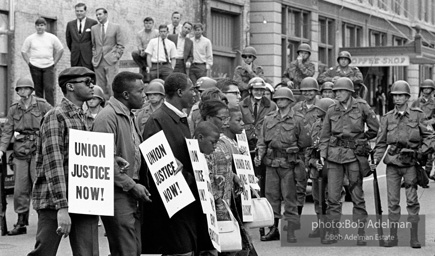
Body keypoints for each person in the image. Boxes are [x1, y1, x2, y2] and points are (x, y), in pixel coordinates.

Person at [28, 67, 98, 256]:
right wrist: (62, 207)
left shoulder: (85, 117)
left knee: (89, 253)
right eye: (87, 82)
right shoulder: (56, 116)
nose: (92, 86)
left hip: (84, 199)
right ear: (70, 86)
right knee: (44, 253)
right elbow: (54, 164)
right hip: (54, 202)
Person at [141, 73, 213, 255]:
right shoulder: (157, 120)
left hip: (188, 199)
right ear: (180, 92)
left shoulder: (181, 119)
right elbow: (157, 166)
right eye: (192, 90)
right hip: (173, 204)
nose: (195, 95)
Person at [93, 71, 151, 256]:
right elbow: (103, 161)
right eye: (140, 91)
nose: (144, 95)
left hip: (132, 192)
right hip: (117, 193)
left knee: (134, 249)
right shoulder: (107, 117)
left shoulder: (129, 115)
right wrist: (132, 185)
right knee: (126, 250)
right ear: (126, 95)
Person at [319, 77, 379, 245]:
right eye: (336, 91)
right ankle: (333, 232)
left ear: (350, 92)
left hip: (353, 156)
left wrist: (361, 140)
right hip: (334, 157)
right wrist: (323, 154)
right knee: (332, 197)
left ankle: (361, 232)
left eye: (341, 91)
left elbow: (375, 128)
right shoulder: (331, 109)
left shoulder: (361, 107)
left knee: (357, 195)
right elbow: (324, 135)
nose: (338, 94)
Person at [373, 80, 432, 249]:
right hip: (392, 163)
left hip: (410, 164)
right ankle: (393, 236)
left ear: (407, 97)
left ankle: (414, 237)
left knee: (412, 201)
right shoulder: (387, 118)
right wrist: (375, 161)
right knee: (393, 202)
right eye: (395, 95)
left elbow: (430, 136)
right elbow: (381, 143)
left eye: (401, 95)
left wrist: (420, 152)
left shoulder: (417, 115)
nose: (398, 98)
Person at [254, 87, 311, 243]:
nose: (280, 102)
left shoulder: (298, 119)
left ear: (290, 101)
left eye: (283, 99)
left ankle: (291, 230)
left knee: (290, 197)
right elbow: (262, 141)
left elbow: (305, 142)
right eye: (277, 99)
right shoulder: (269, 118)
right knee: (272, 197)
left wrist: (297, 155)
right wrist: (259, 155)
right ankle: (273, 229)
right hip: (271, 163)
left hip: (289, 164)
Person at [0, 78, 51, 236]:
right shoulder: (14, 109)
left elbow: (54, 119)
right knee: (20, 189)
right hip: (21, 151)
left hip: (38, 150)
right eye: (19, 89)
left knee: (40, 185)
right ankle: (21, 221)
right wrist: (1, 150)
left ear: (31, 90)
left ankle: (46, 221)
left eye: (25, 89)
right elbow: (8, 131)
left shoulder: (42, 105)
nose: (22, 92)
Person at [239, 77, 277, 234]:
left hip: (265, 146)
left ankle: (265, 220)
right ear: (250, 91)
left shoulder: (271, 105)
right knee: (249, 182)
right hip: (246, 145)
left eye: (262, 90)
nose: (259, 92)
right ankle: (250, 219)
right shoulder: (242, 104)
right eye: (256, 90)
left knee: (265, 183)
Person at [305, 98, 335, 239]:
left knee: (331, 199)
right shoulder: (315, 125)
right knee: (318, 199)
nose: (316, 111)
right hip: (317, 167)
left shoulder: (336, 125)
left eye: (319, 109)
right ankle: (321, 225)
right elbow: (309, 147)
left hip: (332, 166)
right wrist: (312, 162)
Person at [292, 77, 320, 216]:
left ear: (316, 91)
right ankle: (296, 220)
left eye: (311, 91)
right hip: (301, 152)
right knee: (299, 186)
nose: (308, 93)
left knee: (319, 189)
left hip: (316, 152)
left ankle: (322, 223)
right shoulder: (296, 107)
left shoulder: (322, 106)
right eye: (305, 91)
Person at [21, 17, 64, 106]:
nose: (40, 27)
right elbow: (23, 51)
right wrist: (29, 63)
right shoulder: (31, 38)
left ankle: (50, 110)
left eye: (42, 25)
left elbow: (60, 49)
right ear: (35, 27)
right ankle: (39, 110)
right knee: (38, 89)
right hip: (35, 66)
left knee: (49, 88)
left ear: (45, 26)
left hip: (48, 66)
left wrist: (54, 62)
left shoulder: (51, 37)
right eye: (38, 25)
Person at [91, 8, 125, 99]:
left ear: (106, 15)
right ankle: (102, 107)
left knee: (112, 85)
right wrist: (95, 56)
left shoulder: (116, 27)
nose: (98, 16)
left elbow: (120, 45)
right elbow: (93, 45)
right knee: (100, 86)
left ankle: (113, 105)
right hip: (98, 61)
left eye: (100, 14)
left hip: (111, 60)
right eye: (97, 15)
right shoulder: (94, 28)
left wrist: (116, 56)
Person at [66, 3, 98, 70]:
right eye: (77, 11)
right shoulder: (70, 24)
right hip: (75, 57)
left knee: (89, 76)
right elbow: (68, 40)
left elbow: (95, 41)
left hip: (88, 56)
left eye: (81, 11)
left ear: (85, 11)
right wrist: (75, 49)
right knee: (75, 76)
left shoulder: (93, 23)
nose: (79, 13)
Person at [131, 17, 159, 82]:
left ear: (153, 24)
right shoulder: (139, 33)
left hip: (153, 53)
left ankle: (149, 69)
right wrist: (141, 50)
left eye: (150, 23)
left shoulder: (156, 33)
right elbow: (139, 45)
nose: (148, 25)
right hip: (144, 52)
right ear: (144, 24)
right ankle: (144, 67)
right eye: (146, 23)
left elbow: (158, 44)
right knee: (134, 53)